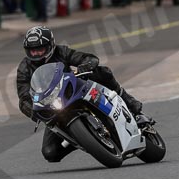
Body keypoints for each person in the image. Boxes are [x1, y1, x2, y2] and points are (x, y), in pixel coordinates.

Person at [16, 26, 143, 163]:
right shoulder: (24, 67)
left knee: (102, 72)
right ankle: (81, 139)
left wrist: (87, 64)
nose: (36, 54)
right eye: (32, 50)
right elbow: (23, 97)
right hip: (52, 106)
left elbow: (87, 58)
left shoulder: (61, 51)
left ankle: (128, 100)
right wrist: (33, 111)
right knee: (50, 152)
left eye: (40, 49)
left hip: (74, 90)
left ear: (50, 45)